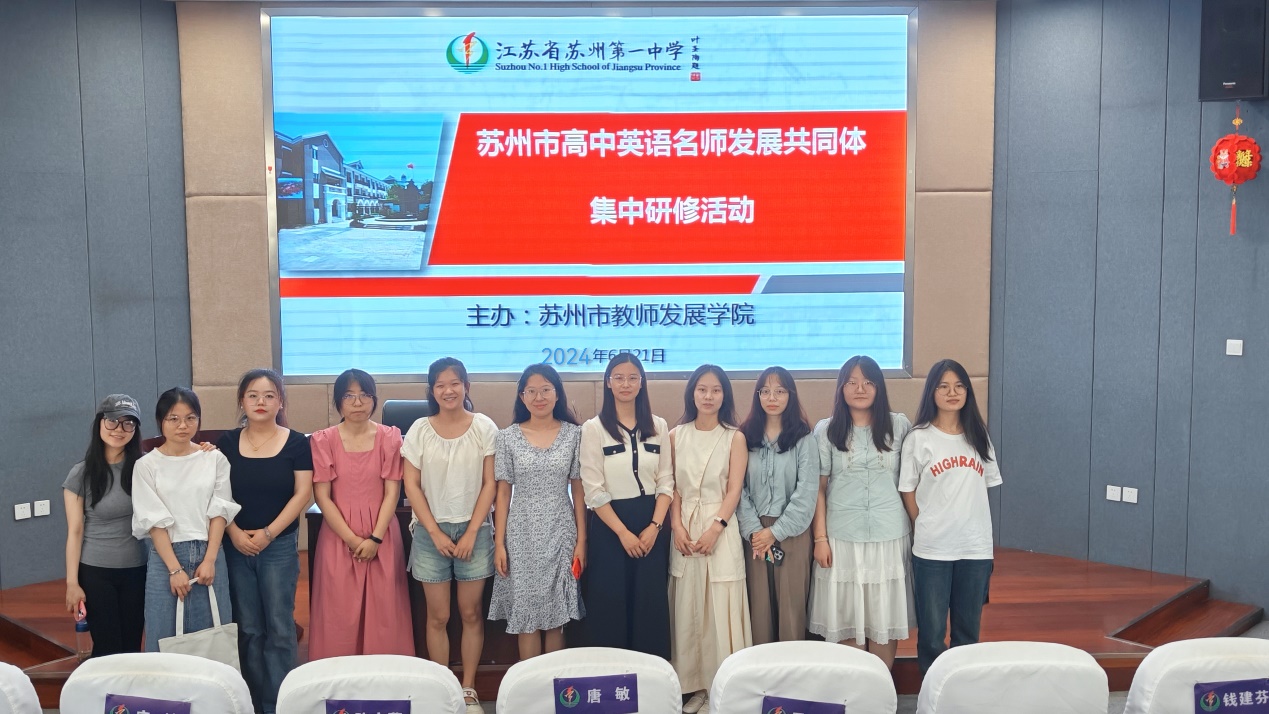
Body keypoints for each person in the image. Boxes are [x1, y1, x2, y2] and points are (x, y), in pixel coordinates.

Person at [401, 357, 497, 713]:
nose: (448, 390)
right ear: (432, 391)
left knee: (470, 613)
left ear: (466, 386)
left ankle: (468, 689)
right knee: (437, 616)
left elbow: (490, 483)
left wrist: (471, 531)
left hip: (476, 531)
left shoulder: (484, 426)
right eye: (440, 385)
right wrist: (434, 532)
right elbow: (411, 484)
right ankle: (443, 690)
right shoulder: (419, 429)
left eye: (455, 383)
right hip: (431, 533)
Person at [217, 369, 313, 714]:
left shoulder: (297, 443)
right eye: (253, 395)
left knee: (280, 627)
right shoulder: (226, 444)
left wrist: (269, 533)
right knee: (248, 628)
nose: (261, 402)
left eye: (269, 395)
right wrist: (233, 532)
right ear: (242, 401)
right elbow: (216, 493)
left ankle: (280, 704)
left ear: (280, 402)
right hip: (235, 545)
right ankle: (252, 703)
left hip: (279, 546)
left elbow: (303, 493)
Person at [807, 356, 912, 669]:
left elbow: (911, 483)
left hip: (889, 536)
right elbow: (819, 489)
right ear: (841, 388)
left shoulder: (899, 426)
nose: (860, 388)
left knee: (884, 621)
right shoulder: (827, 430)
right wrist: (820, 538)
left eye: (868, 382)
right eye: (851, 382)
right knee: (848, 621)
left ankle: (880, 689)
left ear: (879, 387)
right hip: (842, 539)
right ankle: (855, 690)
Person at [899, 359, 1002, 673]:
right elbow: (907, 490)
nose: (952, 392)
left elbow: (985, 486)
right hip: (932, 550)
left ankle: (961, 692)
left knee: (967, 634)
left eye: (959, 386)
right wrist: (923, 523)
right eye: (943, 386)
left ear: (968, 392)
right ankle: (932, 693)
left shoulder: (978, 436)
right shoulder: (919, 438)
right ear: (932, 392)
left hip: (975, 549)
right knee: (931, 636)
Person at [309, 369, 413, 659]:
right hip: (339, 535)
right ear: (338, 402)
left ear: (374, 399)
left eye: (365, 395)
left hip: (381, 534)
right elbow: (322, 497)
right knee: (339, 613)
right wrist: (353, 540)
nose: (358, 402)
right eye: (349, 396)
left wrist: (375, 539)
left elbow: (392, 493)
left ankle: (384, 680)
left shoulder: (390, 437)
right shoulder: (323, 440)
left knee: (384, 612)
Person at [578, 353, 673, 659]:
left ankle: (651, 676)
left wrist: (655, 527)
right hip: (610, 527)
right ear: (608, 383)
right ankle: (611, 676)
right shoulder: (593, 429)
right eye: (618, 378)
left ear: (642, 383)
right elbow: (593, 490)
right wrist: (622, 533)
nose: (625, 384)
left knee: (649, 604)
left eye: (633, 378)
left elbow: (666, 482)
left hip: (651, 525)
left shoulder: (658, 425)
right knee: (611, 606)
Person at [669, 364, 752, 714]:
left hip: (721, 525)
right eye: (702, 389)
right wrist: (676, 526)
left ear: (724, 395)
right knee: (688, 605)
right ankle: (695, 688)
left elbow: (734, 488)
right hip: (685, 527)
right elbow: (671, 487)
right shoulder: (675, 435)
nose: (708, 396)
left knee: (720, 603)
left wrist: (716, 527)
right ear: (692, 393)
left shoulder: (734, 437)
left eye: (716, 390)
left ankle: (723, 688)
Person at [489, 364, 587, 659]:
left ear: (557, 394)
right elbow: (502, 493)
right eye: (531, 391)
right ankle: (530, 684)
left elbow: (579, 490)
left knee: (557, 615)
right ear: (522, 396)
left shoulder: (575, 435)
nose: (539, 397)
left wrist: (582, 541)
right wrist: (499, 543)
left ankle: (553, 683)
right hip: (521, 533)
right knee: (526, 616)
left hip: (561, 530)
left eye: (545, 390)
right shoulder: (507, 437)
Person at [132, 387, 239, 653]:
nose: (183, 425)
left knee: (212, 636)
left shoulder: (214, 458)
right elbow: (153, 521)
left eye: (190, 418)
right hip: (166, 556)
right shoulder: (146, 465)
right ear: (161, 421)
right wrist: (174, 570)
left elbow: (220, 510)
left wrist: (210, 559)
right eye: (174, 418)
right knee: (162, 636)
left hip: (209, 552)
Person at [736, 367, 817, 645]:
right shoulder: (744, 437)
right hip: (754, 536)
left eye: (780, 391)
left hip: (793, 533)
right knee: (758, 611)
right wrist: (755, 533)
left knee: (791, 611)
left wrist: (775, 532)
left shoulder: (804, 438)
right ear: (757, 395)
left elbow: (806, 493)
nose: (772, 397)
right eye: (766, 391)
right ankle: (761, 670)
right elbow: (738, 489)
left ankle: (791, 670)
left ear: (790, 395)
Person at [62, 394, 147, 657]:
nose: (119, 430)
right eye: (112, 421)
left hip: (138, 569)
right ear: (99, 423)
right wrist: (72, 583)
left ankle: (129, 687)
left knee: (132, 646)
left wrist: (203, 449)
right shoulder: (81, 473)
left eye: (128, 423)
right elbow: (75, 531)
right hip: (96, 571)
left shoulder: (145, 467)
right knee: (108, 649)